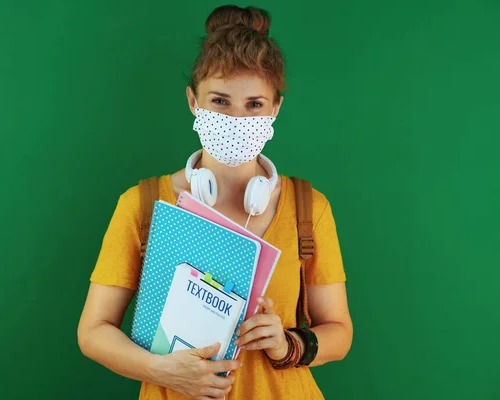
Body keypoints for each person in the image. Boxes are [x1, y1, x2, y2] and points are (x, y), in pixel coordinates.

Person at [77, 5, 353, 400]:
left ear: (275, 108)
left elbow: (340, 333)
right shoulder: (142, 205)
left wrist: (287, 343)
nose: (237, 118)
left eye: (254, 105)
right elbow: (92, 331)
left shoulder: (309, 207)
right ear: (193, 101)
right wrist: (162, 371)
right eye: (220, 101)